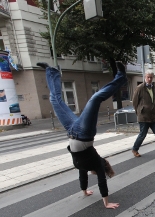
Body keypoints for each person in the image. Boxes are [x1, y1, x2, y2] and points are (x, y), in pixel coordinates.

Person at [36, 61, 127, 209]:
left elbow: (82, 175)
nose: (92, 174)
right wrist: (106, 202)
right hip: (84, 133)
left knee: (55, 100)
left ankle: (52, 72)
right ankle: (121, 77)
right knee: (95, 99)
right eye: (95, 173)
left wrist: (84, 190)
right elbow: (102, 182)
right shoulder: (97, 163)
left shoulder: (82, 166)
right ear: (100, 170)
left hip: (71, 130)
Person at [131, 69, 155, 160]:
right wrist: (139, 112)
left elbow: (153, 101)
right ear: (145, 77)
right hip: (144, 117)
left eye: (151, 77)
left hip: (153, 116)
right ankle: (135, 149)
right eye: (148, 77)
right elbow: (134, 102)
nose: (149, 79)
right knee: (142, 135)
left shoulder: (153, 87)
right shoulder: (140, 88)